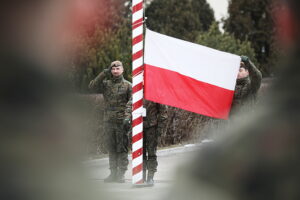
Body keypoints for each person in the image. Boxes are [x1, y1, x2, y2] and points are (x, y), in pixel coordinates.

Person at [167, 0, 300, 199]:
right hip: (232, 124)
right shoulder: (228, 87)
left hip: (250, 124)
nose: (239, 72)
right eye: (237, 69)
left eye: (242, 69)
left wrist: (250, 63)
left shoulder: (250, 85)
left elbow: (258, 77)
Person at [89, 61, 131, 183]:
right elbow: (92, 86)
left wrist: (127, 117)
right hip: (108, 121)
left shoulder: (128, 86)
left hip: (122, 122)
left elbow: (131, 103)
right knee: (111, 148)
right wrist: (103, 73)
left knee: (122, 149)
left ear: (122, 70)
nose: (115, 71)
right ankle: (113, 173)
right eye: (113, 69)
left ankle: (121, 174)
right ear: (110, 71)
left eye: (118, 68)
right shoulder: (106, 84)